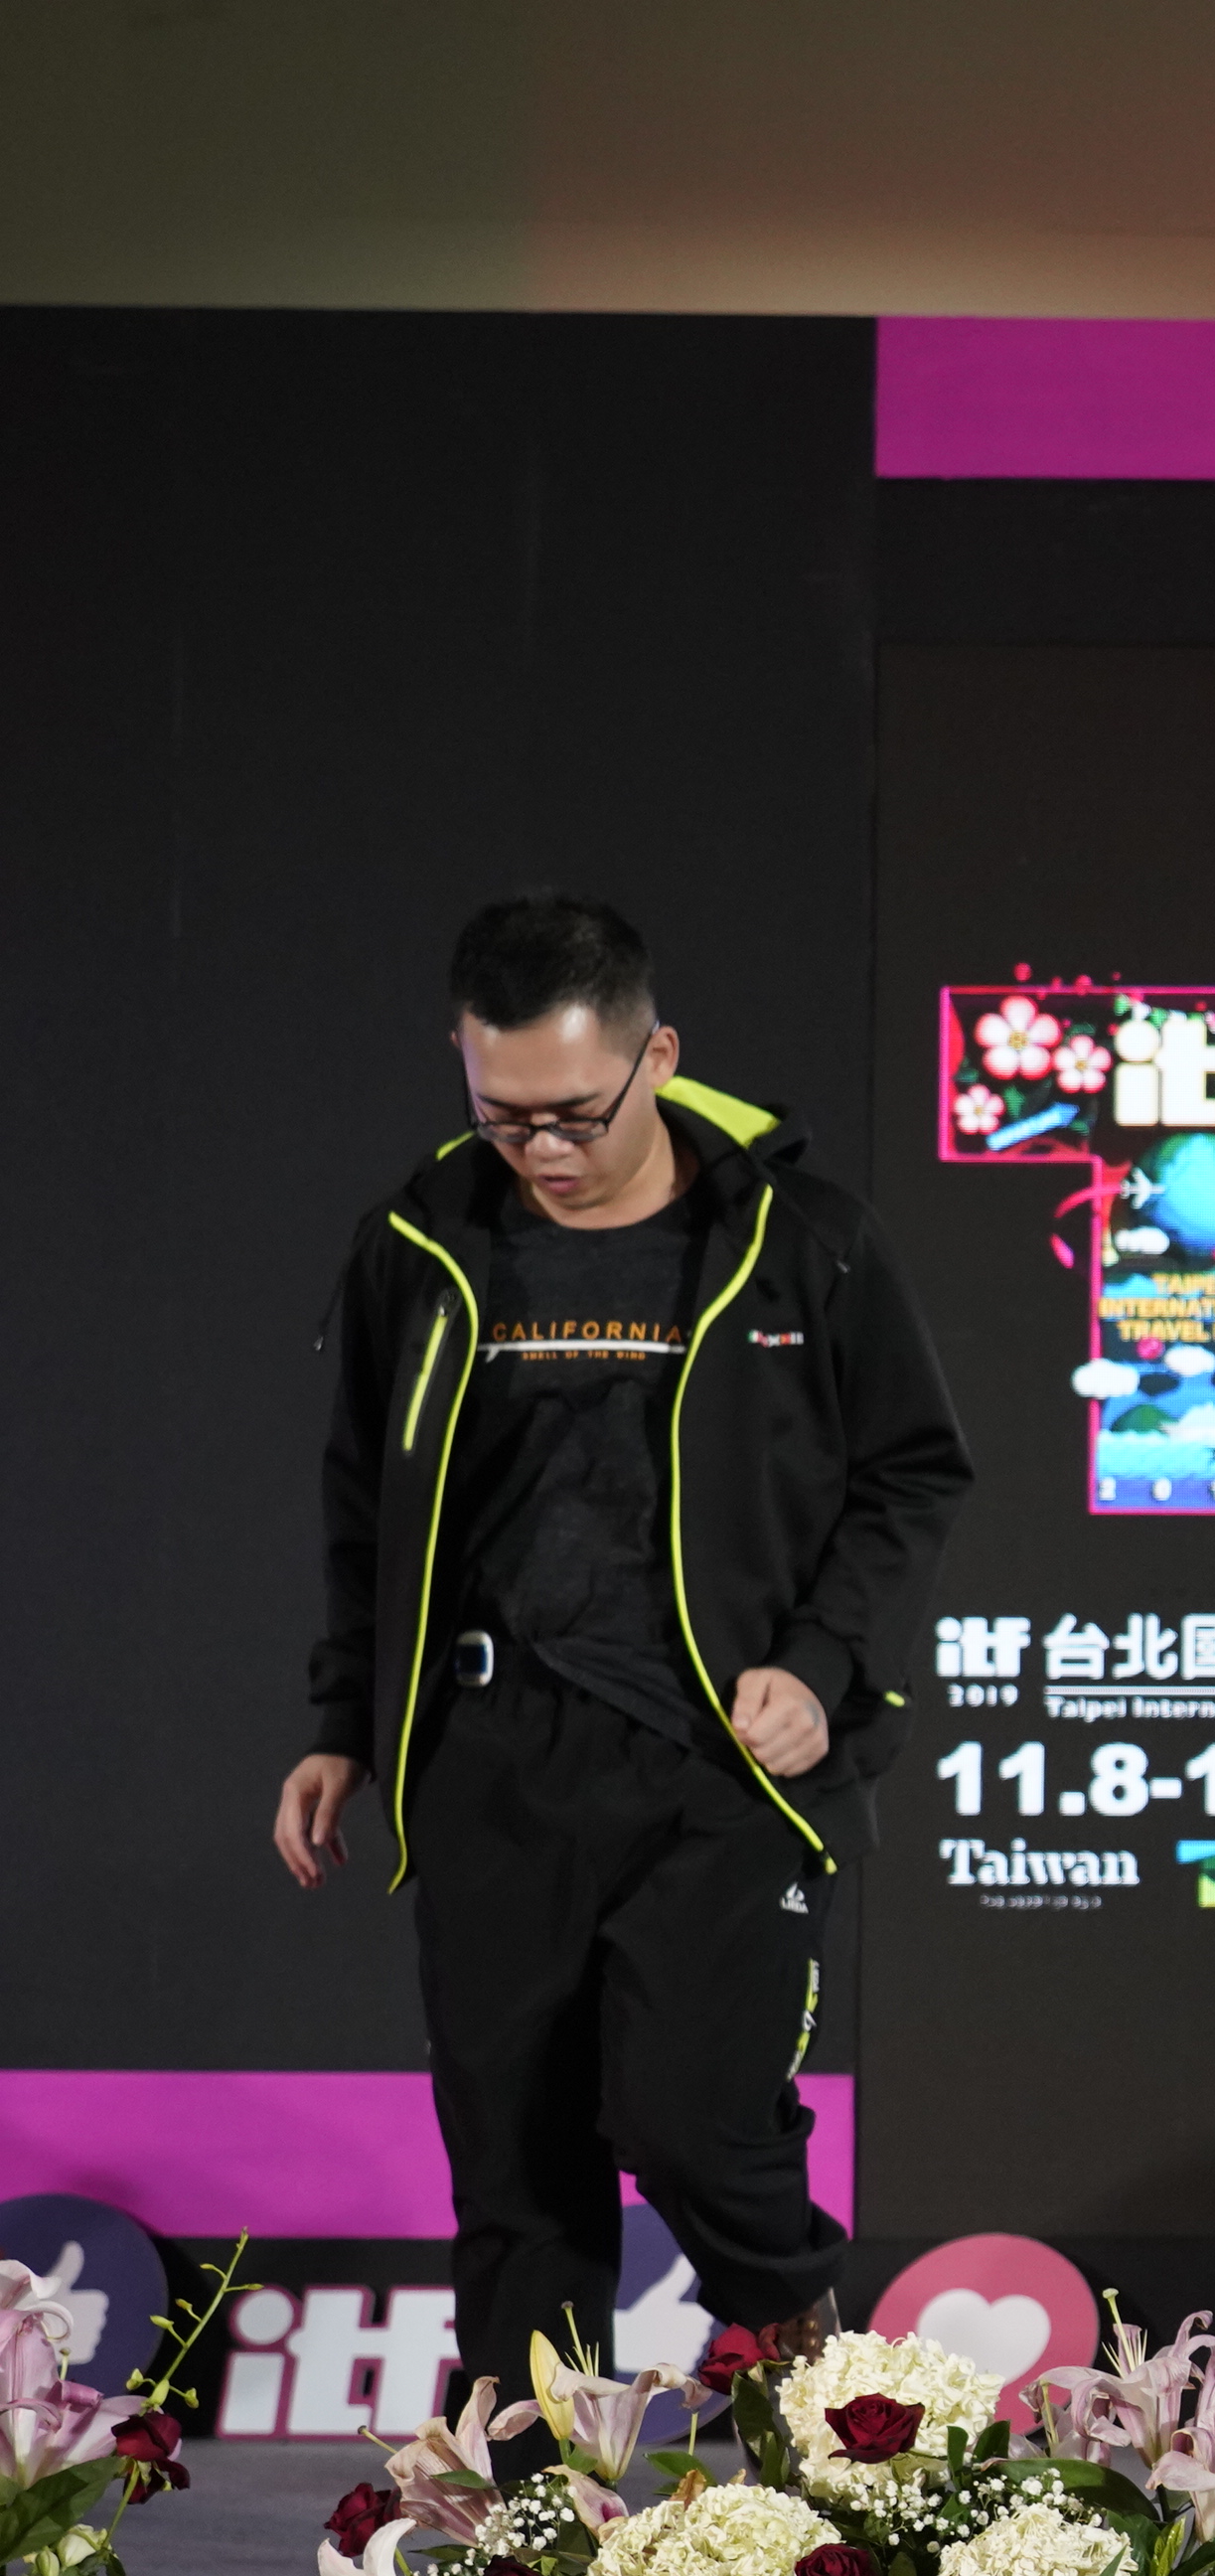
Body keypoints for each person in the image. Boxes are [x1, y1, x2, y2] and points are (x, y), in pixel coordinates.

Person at [278, 893, 972, 2405]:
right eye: (504, 1114)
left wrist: (823, 1661)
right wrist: (343, 1720)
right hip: (491, 1756)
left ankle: (837, 2423)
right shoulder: (421, 1243)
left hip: (724, 1757)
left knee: (690, 2118)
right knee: (516, 2167)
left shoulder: (804, 1242)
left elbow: (914, 1474)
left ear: (658, 1057)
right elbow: (363, 1502)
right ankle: (535, 2508)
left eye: (576, 1114)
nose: (543, 1150)